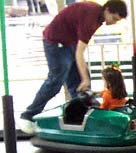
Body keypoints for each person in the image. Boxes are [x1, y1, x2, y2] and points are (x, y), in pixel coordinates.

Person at [19, 0, 128, 134]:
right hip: (55, 42)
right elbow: (79, 53)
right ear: (108, 10)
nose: (114, 23)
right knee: (56, 80)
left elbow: (78, 50)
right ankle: (28, 115)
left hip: (69, 42)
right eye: (114, 18)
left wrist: (84, 78)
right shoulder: (91, 17)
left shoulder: (97, 17)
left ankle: (86, 114)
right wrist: (85, 79)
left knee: (78, 82)